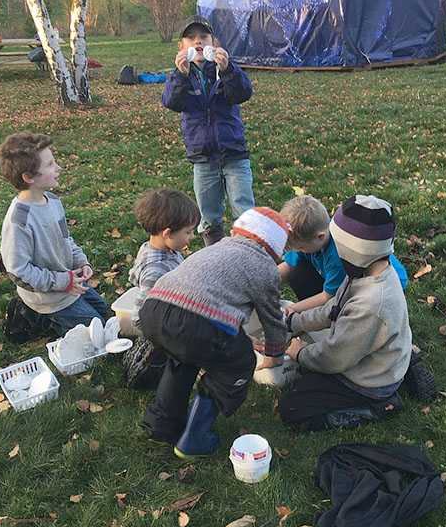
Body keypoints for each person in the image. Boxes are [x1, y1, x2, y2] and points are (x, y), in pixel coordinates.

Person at [138, 207, 290, 458]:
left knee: (183, 357)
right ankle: (194, 438)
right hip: (195, 323)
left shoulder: (218, 247)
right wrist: (275, 355)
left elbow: (215, 293)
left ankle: (161, 425)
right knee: (239, 364)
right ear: (273, 249)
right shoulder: (265, 267)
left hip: (154, 309)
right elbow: (273, 320)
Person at [278, 195, 412, 431]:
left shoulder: (371, 303)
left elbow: (334, 356)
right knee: (305, 380)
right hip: (367, 355)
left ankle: (379, 406)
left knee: (292, 408)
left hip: (370, 381)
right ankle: (407, 360)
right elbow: (333, 308)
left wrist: (300, 353)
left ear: (355, 249)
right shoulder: (363, 271)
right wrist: (294, 322)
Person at [0, 132, 108, 335]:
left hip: (70, 285)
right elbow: (18, 271)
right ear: (28, 177)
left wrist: (81, 263)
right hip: (50, 298)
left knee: (108, 317)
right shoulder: (19, 221)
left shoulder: (53, 201)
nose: (59, 168)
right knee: (96, 333)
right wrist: (62, 282)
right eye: (50, 165)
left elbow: (66, 239)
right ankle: (39, 318)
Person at [162, 15, 255, 246]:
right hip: (202, 157)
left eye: (203, 37)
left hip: (234, 152)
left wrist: (228, 70)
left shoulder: (225, 69)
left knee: (244, 209)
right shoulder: (181, 75)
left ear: (214, 43)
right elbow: (171, 102)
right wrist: (180, 76)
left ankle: (250, 252)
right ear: (181, 47)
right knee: (209, 214)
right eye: (191, 38)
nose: (198, 42)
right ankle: (214, 253)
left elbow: (243, 93)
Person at [121, 189, 200, 388]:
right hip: (166, 325)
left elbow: (133, 274)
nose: (192, 237)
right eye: (188, 232)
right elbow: (140, 317)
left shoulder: (160, 248)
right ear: (167, 233)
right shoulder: (155, 271)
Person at [278, 194, 408, 314]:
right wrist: (262, 280)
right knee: (296, 271)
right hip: (344, 277)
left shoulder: (339, 256)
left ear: (320, 237)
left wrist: (291, 310)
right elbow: (288, 266)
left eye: (301, 248)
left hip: (383, 288)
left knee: (343, 310)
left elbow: (328, 296)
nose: (299, 251)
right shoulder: (312, 238)